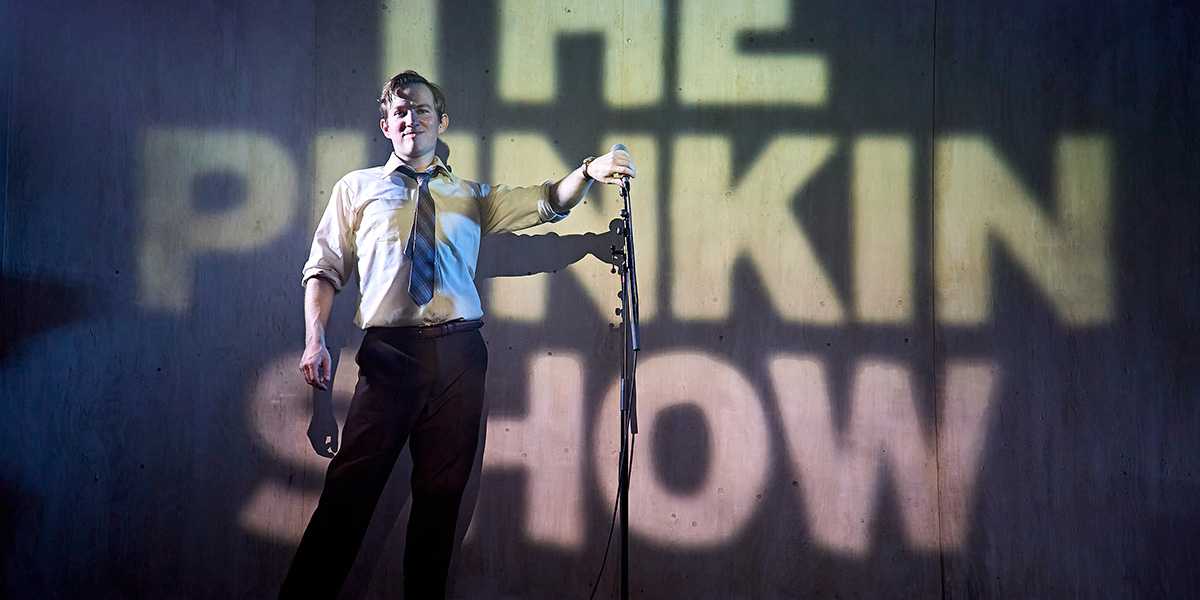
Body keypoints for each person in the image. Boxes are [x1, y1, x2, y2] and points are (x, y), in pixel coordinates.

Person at [279, 70, 633, 599]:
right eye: (400, 112)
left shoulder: (470, 195)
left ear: (441, 122)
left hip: (460, 357)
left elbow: (545, 203)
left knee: (440, 505)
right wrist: (314, 339)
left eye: (421, 110)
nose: (411, 120)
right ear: (385, 126)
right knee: (347, 498)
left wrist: (589, 170)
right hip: (388, 356)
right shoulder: (357, 189)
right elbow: (323, 270)